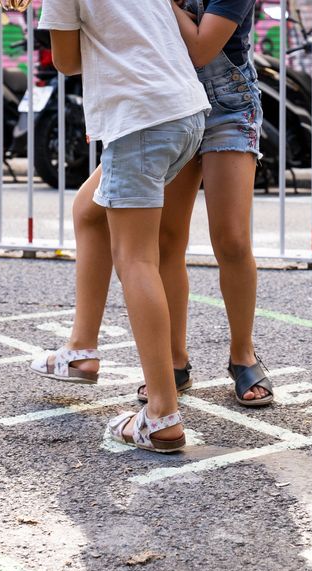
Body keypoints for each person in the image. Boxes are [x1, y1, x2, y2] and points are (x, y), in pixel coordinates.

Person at [34, 0, 273, 408]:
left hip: (227, 106)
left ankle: (242, 355)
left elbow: (201, 48)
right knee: (165, 239)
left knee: (231, 240)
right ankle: (175, 361)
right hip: (167, 99)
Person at [38, 0, 209, 453]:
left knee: (136, 260)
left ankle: (161, 415)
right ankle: (80, 350)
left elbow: (66, 61)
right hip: (185, 113)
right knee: (89, 210)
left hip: (140, 119)